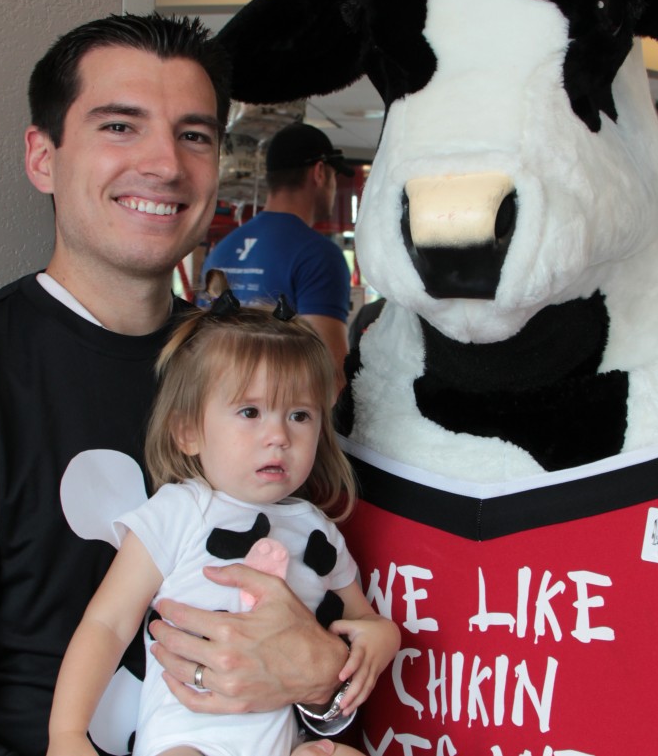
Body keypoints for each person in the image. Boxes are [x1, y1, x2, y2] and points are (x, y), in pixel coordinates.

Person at [0, 14, 350, 756]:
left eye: (194, 134)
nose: (163, 163)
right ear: (42, 157)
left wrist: (323, 681)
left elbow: (324, 624)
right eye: (120, 126)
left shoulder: (260, 382)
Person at [48, 299, 399, 756]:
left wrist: (383, 636)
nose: (279, 435)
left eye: (299, 415)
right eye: (250, 412)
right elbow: (108, 623)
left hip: (283, 741)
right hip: (186, 740)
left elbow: (363, 617)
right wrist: (68, 734)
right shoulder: (180, 511)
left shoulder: (317, 531)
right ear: (189, 431)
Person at [205, 123, 353, 392]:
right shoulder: (319, 255)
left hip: (222, 414)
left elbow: (199, 345)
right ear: (319, 173)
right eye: (333, 177)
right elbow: (331, 374)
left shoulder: (222, 249)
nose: (333, 189)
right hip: (277, 420)